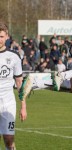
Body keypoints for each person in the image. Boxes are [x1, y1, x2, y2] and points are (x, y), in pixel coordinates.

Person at [0, 22, 27, 150]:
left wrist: (23, 106)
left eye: (1, 36)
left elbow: (19, 83)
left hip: (8, 102)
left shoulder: (14, 56)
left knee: (9, 139)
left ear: (6, 37)